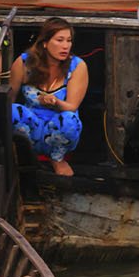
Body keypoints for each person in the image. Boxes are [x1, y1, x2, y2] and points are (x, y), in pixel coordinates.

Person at [10, 18, 87, 177]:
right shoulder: (24, 62)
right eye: (59, 40)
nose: (65, 46)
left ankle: (57, 158)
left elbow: (72, 106)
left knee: (70, 120)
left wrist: (55, 102)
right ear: (45, 43)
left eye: (69, 41)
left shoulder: (77, 66)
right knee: (11, 110)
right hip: (31, 128)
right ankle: (23, 155)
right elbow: (10, 97)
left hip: (58, 131)